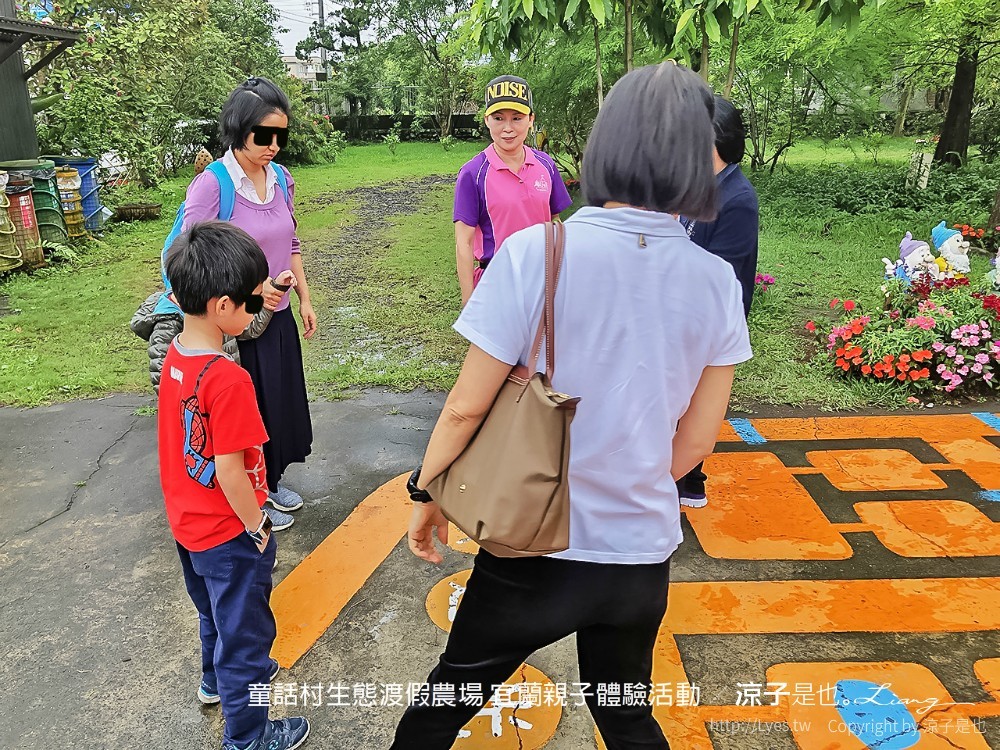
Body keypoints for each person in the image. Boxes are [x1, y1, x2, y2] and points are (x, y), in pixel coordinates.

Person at [392, 62, 753, 750]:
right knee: (624, 714)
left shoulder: (536, 254)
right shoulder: (713, 282)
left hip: (531, 545)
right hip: (639, 558)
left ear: (606, 148)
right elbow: (696, 443)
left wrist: (426, 488)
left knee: (444, 705)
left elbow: (467, 409)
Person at [158, 221, 310, 750]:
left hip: (188, 526)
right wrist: (257, 524)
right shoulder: (229, 379)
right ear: (224, 306)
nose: (256, 308)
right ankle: (248, 737)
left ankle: (210, 681)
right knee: (247, 638)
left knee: (212, 611)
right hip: (228, 532)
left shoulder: (176, 357)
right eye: (252, 300)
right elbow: (230, 471)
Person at [183, 76, 316, 531]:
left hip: (276, 318)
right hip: (236, 322)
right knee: (240, 416)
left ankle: (270, 483)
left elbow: (291, 241)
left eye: (281, 135)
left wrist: (304, 297)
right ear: (239, 129)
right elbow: (191, 256)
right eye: (264, 135)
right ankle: (248, 503)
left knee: (275, 405)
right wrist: (253, 289)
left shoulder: (281, 178)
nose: (274, 145)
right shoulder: (212, 185)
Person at [676, 96, 759, 509]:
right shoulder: (701, 186)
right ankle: (682, 478)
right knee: (680, 399)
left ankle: (690, 482)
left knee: (695, 403)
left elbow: (720, 272)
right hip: (685, 314)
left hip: (709, 322)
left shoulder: (737, 198)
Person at [453, 74, 573, 307]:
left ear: (531, 120)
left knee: (544, 345)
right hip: (495, 286)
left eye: (517, 118)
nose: (508, 128)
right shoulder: (473, 173)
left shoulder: (546, 165)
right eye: (498, 118)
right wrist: (468, 302)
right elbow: (463, 243)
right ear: (487, 120)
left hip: (542, 285)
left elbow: (555, 222)